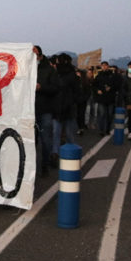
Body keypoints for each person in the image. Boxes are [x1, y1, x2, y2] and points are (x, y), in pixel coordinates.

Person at [33, 46, 59, 176]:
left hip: (45, 110)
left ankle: (45, 165)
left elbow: (55, 88)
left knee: (46, 140)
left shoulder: (49, 70)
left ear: (40, 55)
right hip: (29, 111)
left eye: (35, 55)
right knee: (31, 141)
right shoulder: (26, 68)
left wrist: (41, 87)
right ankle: (30, 168)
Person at [52, 53, 79, 155]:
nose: (57, 63)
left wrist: (71, 102)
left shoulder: (71, 76)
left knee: (68, 133)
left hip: (67, 108)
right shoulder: (56, 74)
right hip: (58, 108)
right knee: (57, 133)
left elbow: (77, 92)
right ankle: (55, 153)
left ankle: (71, 155)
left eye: (58, 61)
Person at [93, 61, 116, 135]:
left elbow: (117, 85)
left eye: (105, 65)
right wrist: (97, 90)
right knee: (102, 114)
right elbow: (94, 85)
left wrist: (111, 88)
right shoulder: (98, 76)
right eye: (102, 66)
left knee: (109, 115)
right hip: (101, 98)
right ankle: (101, 130)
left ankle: (108, 129)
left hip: (110, 98)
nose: (104, 67)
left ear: (108, 66)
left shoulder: (113, 76)